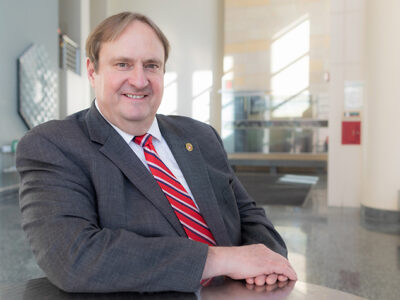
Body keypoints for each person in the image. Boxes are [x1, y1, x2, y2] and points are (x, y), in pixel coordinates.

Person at [16, 12, 297, 293]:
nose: (139, 80)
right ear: (93, 71)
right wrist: (219, 259)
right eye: (123, 64)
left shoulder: (200, 136)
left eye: (151, 65)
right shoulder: (53, 145)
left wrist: (267, 262)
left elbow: (247, 213)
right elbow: (74, 257)